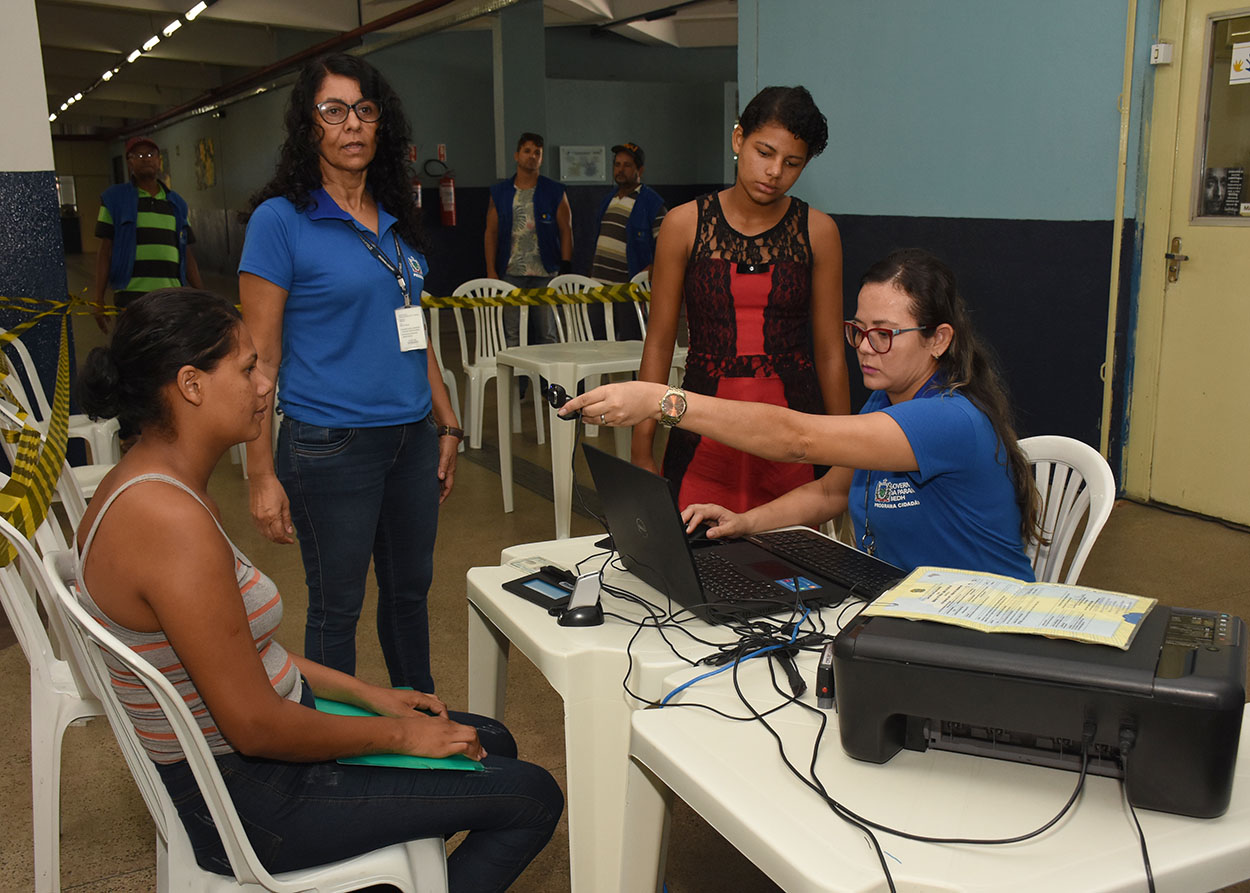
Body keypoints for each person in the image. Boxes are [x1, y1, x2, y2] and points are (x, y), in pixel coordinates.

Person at [74, 289, 562, 890]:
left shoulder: (149, 482)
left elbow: (241, 650)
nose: (264, 385)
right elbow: (255, 726)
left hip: (245, 765)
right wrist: (401, 733)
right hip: (252, 798)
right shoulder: (165, 520)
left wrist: (371, 695)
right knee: (532, 797)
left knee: (492, 740)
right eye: (248, 368)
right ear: (191, 384)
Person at [563, 249, 1040, 580]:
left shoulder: (948, 419)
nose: (866, 348)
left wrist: (662, 402)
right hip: (905, 606)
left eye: (885, 333)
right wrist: (744, 522)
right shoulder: (886, 399)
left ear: (938, 339)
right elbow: (832, 490)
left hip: (981, 620)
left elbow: (798, 439)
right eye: (859, 329)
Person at [238, 53, 461, 693]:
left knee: (409, 596)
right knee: (338, 608)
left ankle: (421, 719)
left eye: (365, 110)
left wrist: (446, 423)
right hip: (329, 445)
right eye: (333, 111)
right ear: (309, 127)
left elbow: (416, 337)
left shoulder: (396, 224)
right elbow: (261, 359)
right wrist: (260, 475)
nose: (352, 125)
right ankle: (334, 752)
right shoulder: (281, 221)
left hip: (412, 440)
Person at [631, 85, 850, 514]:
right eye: (764, 152)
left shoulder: (819, 232)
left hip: (794, 433)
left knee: (791, 567)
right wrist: (642, 445)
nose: (774, 172)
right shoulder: (683, 225)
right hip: (702, 426)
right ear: (738, 140)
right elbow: (658, 344)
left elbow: (829, 354)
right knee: (696, 556)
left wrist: (844, 450)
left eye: (792, 163)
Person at [93, 135, 202, 332]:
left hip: (171, 296)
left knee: (169, 354)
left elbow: (186, 253)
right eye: (139, 154)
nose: (146, 159)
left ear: (159, 161)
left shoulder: (177, 203)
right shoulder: (114, 199)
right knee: (135, 353)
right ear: (130, 163)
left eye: (151, 154)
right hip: (131, 297)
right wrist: (98, 298)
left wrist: (202, 296)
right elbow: (105, 252)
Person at [484, 132, 573, 346]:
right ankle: (516, 380)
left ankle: (548, 380)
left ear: (541, 159)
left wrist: (566, 265)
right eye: (527, 151)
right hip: (511, 272)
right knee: (512, 334)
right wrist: (491, 270)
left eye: (537, 153)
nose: (532, 156)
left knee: (547, 333)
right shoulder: (500, 192)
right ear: (516, 155)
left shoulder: (555, 191)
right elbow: (491, 232)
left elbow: (566, 229)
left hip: (545, 272)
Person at [589, 141, 667, 341]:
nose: (620, 170)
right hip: (599, 285)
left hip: (628, 288)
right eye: (617, 164)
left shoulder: (652, 203)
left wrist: (649, 270)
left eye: (627, 165)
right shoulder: (609, 200)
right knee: (597, 341)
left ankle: (632, 375)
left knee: (629, 342)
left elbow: (665, 246)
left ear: (639, 170)